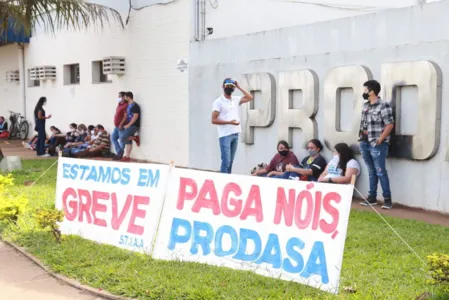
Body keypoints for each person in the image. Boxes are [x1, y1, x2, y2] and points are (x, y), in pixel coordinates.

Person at [358, 80, 395, 209]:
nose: (364, 91)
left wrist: (380, 139)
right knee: (371, 171)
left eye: (365, 89)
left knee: (380, 171)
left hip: (377, 143)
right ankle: (372, 197)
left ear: (372, 91)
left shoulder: (383, 105)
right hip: (364, 142)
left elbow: (389, 124)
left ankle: (387, 199)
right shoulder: (365, 106)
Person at [212, 78, 254, 174]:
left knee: (230, 161)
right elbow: (213, 120)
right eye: (227, 86)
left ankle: (228, 179)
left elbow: (250, 97)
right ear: (223, 87)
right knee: (226, 161)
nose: (229, 88)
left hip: (235, 133)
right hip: (225, 135)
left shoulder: (235, 99)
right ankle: (222, 181)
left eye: (231, 86)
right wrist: (229, 122)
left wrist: (239, 86)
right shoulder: (218, 102)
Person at [118, 92, 141, 162]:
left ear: (129, 97)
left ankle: (135, 137)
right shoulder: (128, 105)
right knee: (128, 142)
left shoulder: (135, 106)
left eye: (125, 97)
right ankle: (127, 156)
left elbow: (135, 116)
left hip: (133, 126)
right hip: (128, 125)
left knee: (122, 138)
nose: (125, 98)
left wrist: (129, 125)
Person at [111, 91, 128, 160]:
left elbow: (125, 116)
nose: (119, 97)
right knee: (113, 138)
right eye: (118, 96)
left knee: (121, 140)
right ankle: (119, 151)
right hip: (116, 126)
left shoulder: (125, 105)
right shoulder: (119, 104)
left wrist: (121, 124)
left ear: (124, 97)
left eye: (120, 96)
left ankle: (119, 154)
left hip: (121, 126)